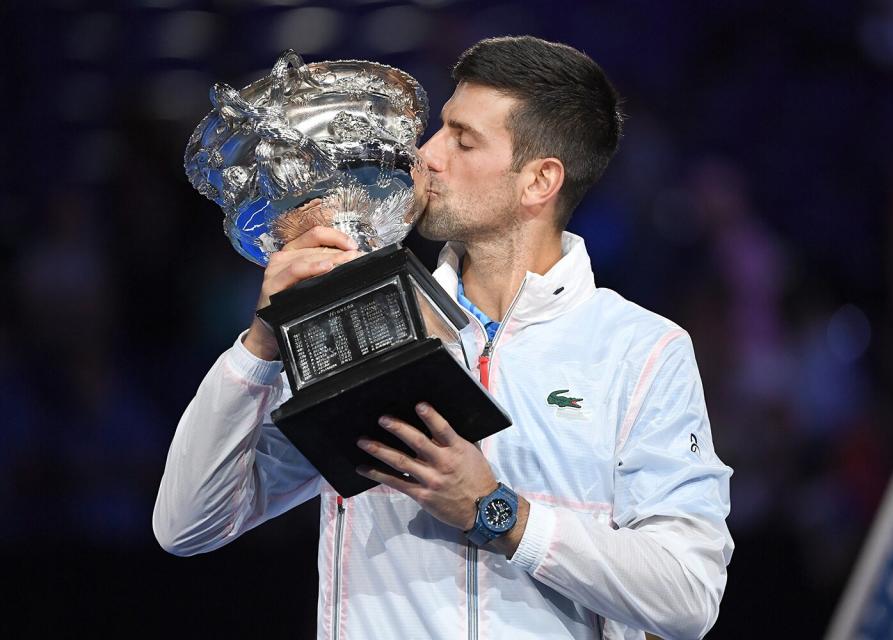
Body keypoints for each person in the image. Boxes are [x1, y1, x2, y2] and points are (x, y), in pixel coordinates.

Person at [154, 36, 733, 640]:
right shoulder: (361, 321)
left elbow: (688, 595)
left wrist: (500, 515)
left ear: (539, 180)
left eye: (463, 139)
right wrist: (260, 349)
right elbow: (188, 526)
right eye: (437, 130)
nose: (425, 155)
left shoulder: (640, 350)